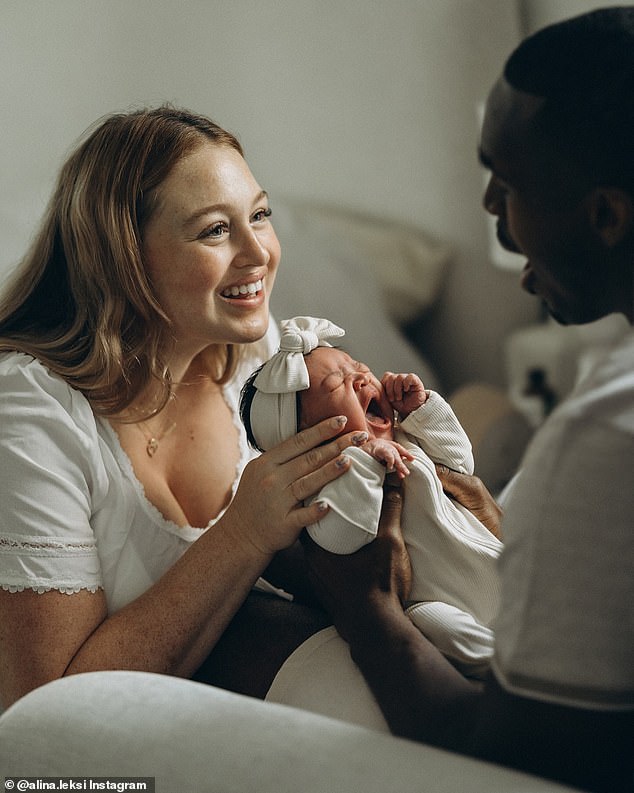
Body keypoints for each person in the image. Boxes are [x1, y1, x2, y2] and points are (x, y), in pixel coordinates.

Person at [294, 8, 634, 793]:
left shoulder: (601, 437)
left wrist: (369, 612)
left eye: (507, 183)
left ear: (607, 215)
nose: (488, 206)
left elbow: (515, 759)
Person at [0, 105, 365, 711]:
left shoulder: (255, 354)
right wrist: (245, 533)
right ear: (123, 255)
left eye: (260, 216)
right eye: (215, 231)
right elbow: (42, 714)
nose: (259, 254)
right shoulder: (30, 408)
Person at [241, 315, 502, 679]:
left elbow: (460, 463)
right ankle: (504, 668)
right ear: (311, 441)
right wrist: (361, 463)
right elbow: (344, 536)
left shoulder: (408, 437)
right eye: (338, 386)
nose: (361, 378)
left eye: (357, 367)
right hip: (440, 597)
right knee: (435, 624)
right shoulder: (330, 483)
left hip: (489, 557)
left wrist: (422, 408)